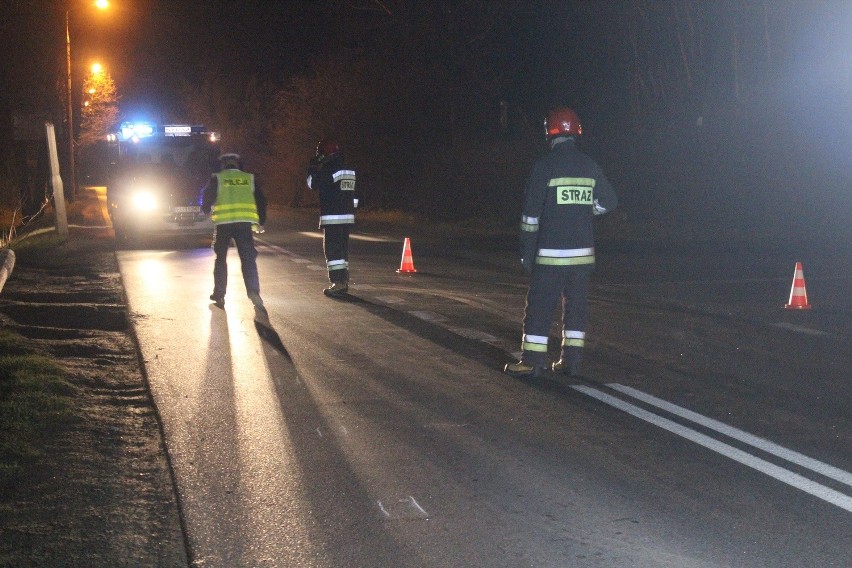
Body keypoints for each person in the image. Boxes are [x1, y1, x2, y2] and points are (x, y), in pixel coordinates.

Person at [504, 107, 618, 378]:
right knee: (576, 308)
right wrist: (586, 210)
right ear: (576, 132)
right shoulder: (589, 164)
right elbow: (610, 202)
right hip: (582, 258)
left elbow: (530, 216)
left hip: (551, 255)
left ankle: (532, 361)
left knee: (540, 307)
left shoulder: (545, 166)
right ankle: (571, 362)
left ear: (550, 133)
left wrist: (527, 253)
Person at [201, 153, 267, 309]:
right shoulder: (249, 178)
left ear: (223, 164)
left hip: (223, 225)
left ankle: (219, 294)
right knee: (248, 259)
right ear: (238, 164)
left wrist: (205, 208)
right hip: (243, 225)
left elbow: (207, 196)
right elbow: (261, 200)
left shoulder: (217, 178)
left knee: (221, 259)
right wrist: (261, 220)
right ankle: (254, 293)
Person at [306, 138, 357, 297]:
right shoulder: (348, 169)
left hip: (333, 217)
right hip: (347, 217)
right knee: (342, 252)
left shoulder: (331, 169)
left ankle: (338, 283)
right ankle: (343, 280)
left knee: (333, 252)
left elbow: (313, 184)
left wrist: (312, 168)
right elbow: (354, 195)